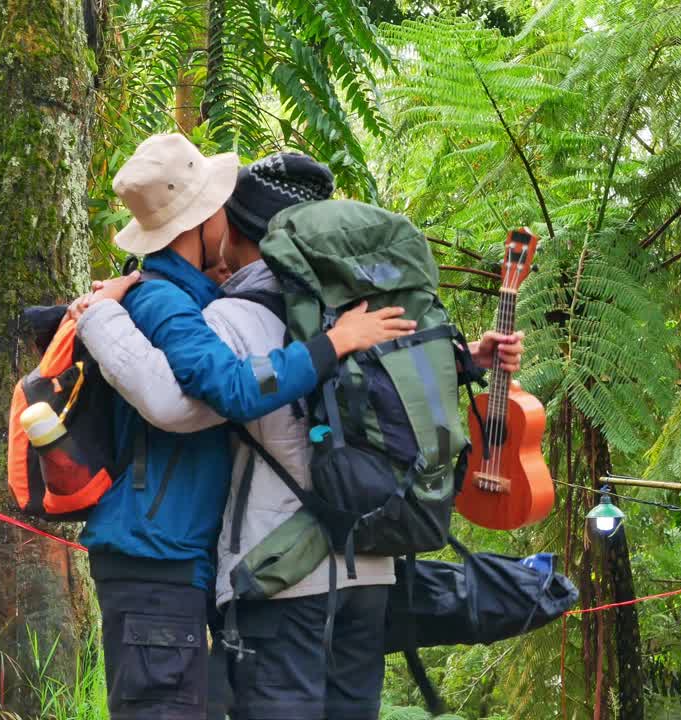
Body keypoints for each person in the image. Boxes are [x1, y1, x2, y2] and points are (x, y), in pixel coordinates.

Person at [75, 152, 525, 720]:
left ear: (234, 231)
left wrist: (100, 315)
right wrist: (465, 359)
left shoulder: (237, 318)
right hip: (370, 566)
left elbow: (177, 404)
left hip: (280, 573)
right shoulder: (363, 312)